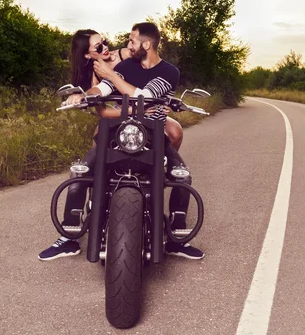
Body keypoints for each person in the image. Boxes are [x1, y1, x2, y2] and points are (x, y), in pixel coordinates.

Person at [38, 23, 204, 260]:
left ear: (146, 45)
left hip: (154, 134)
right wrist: (84, 95)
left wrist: (112, 75)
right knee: (80, 172)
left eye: (132, 41)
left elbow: (144, 98)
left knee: (182, 175)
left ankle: (177, 239)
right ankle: (69, 238)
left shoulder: (169, 72)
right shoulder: (127, 66)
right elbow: (104, 88)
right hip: (117, 132)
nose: (127, 46)